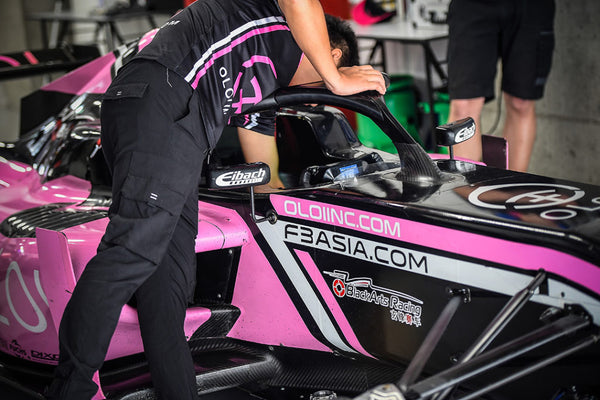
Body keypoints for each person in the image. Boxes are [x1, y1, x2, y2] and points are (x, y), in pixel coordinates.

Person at [45, 1, 385, 399]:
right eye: (321, 93)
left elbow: (266, 177)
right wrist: (337, 79)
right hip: (162, 98)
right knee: (131, 252)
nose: (313, 103)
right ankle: (69, 391)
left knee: (170, 277)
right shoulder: (285, 26)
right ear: (333, 52)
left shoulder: (265, 84)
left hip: (167, 116)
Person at [236, 13, 361, 189]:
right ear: (334, 56)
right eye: (325, 86)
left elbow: (266, 185)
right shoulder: (256, 54)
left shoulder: (265, 93)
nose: (312, 104)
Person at [446, 0, 555, 172]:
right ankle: (462, 193)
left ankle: (512, 191)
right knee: (463, 106)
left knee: (521, 102)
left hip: (531, 5)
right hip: (471, 6)